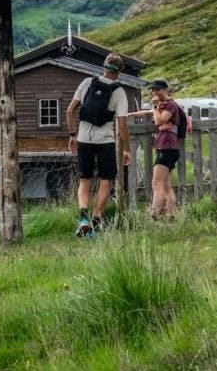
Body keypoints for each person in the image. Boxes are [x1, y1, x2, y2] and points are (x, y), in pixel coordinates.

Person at [66, 53, 130, 237]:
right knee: (106, 180)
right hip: (106, 141)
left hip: (84, 139)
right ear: (119, 72)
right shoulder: (119, 92)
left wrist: (72, 135)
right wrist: (127, 149)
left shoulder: (87, 83)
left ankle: (83, 217)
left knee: (84, 179)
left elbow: (70, 112)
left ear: (104, 66)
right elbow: (123, 125)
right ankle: (96, 220)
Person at [130, 79, 181, 220]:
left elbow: (159, 120)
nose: (155, 92)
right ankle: (171, 214)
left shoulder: (170, 105)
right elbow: (148, 113)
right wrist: (129, 116)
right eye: (153, 90)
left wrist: (155, 107)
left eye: (157, 89)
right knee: (166, 185)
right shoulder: (163, 105)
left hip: (167, 148)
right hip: (168, 148)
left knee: (156, 182)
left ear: (165, 89)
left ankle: (154, 213)